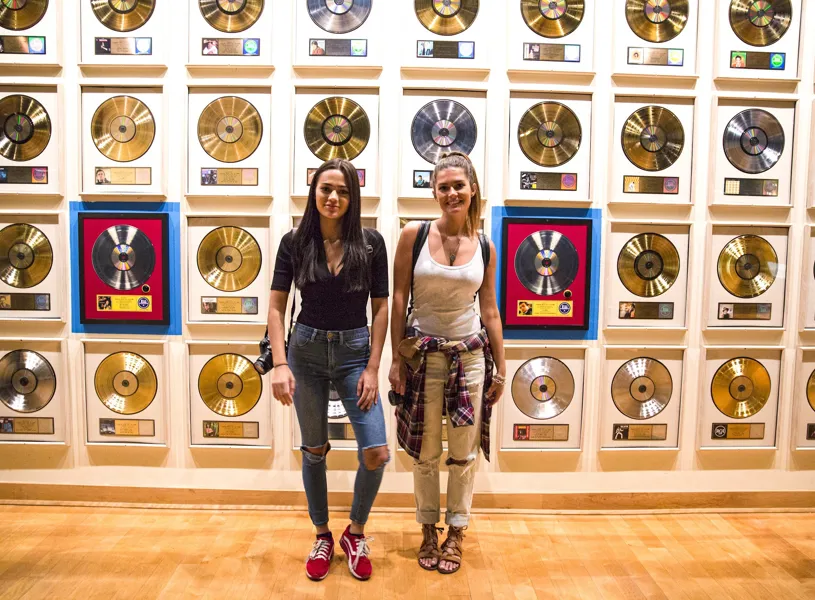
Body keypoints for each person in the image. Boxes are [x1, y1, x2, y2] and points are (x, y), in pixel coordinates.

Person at [268, 158, 390, 582]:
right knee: (314, 449)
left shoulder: (371, 244)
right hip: (306, 351)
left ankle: (354, 533)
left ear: (352, 197)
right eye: (326, 190)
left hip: (356, 352)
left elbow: (381, 308)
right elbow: (277, 306)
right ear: (314, 194)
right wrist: (280, 363)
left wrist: (373, 367)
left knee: (376, 451)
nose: (333, 197)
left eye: (342, 191)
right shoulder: (294, 243)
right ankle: (321, 534)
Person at [389, 151, 506, 575]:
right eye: (443, 187)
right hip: (422, 357)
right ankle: (427, 528)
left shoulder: (486, 244)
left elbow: (490, 309)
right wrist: (395, 359)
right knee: (424, 452)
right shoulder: (413, 235)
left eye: (459, 185)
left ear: (473, 189)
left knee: (463, 452)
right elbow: (399, 298)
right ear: (434, 191)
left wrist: (501, 368)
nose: (451, 193)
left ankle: (456, 530)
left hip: (470, 360)